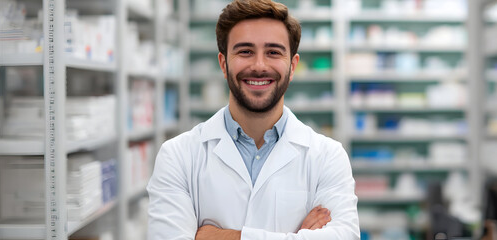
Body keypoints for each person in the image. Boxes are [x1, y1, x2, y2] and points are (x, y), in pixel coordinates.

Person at [146, 0, 360, 239]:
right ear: (224, 64)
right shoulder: (177, 156)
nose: (259, 66)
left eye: (273, 52)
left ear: (292, 66)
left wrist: (222, 236)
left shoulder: (328, 156)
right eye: (245, 51)